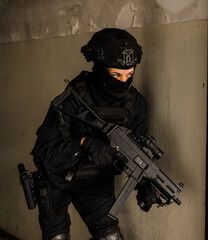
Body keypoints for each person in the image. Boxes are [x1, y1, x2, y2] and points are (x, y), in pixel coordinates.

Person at [31, 28, 160, 240]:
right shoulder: (73, 99)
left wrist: (145, 182)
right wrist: (83, 143)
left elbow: (136, 152)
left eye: (130, 74)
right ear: (100, 69)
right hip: (57, 178)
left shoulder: (135, 104)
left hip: (96, 182)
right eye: (116, 74)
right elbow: (43, 155)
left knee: (110, 237)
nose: (123, 81)